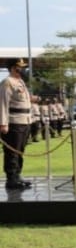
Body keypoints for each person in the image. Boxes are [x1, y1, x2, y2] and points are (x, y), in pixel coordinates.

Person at [0, 58, 37, 190]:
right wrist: (3, 123)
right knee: (12, 152)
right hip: (13, 122)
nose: (22, 69)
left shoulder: (20, 82)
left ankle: (17, 175)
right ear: (12, 68)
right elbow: (3, 103)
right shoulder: (7, 82)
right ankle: (11, 179)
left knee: (20, 151)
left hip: (25, 121)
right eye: (19, 67)